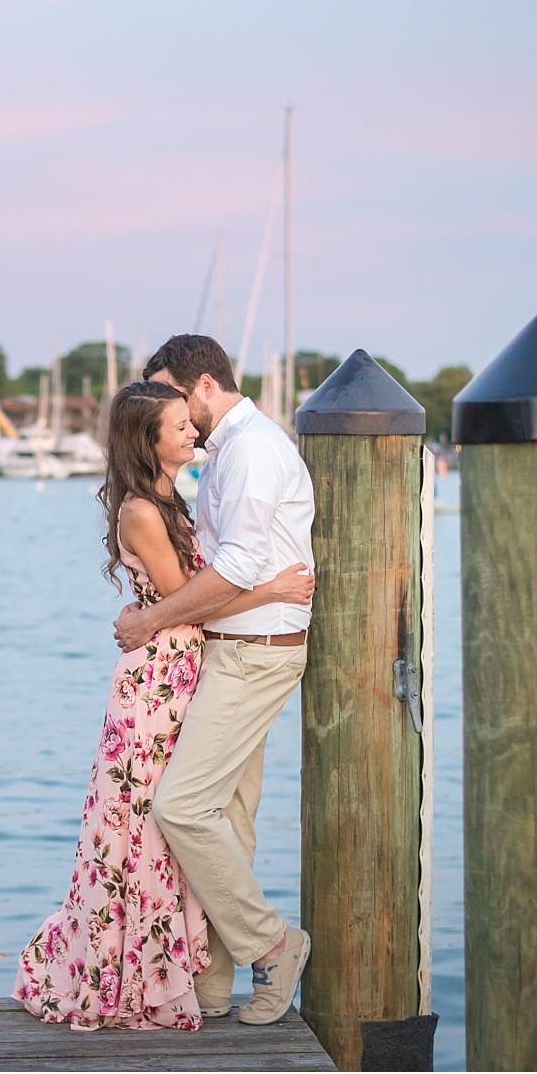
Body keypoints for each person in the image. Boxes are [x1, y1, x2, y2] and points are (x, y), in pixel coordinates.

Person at [15, 380, 314, 1030]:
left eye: (188, 421)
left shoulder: (173, 498)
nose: (192, 432)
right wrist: (271, 590)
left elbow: (186, 597)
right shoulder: (144, 513)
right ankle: (161, 968)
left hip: (184, 671)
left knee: (177, 825)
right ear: (147, 441)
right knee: (147, 822)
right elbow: (188, 602)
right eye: (178, 426)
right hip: (157, 681)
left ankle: (191, 972)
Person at [112, 334, 316, 1027]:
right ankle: (210, 983)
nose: (167, 409)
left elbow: (235, 569)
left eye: (171, 394)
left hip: (253, 651)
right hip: (226, 649)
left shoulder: (252, 449)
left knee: (181, 808)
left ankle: (274, 946)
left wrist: (150, 619)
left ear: (203, 385)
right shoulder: (226, 451)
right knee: (227, 820)